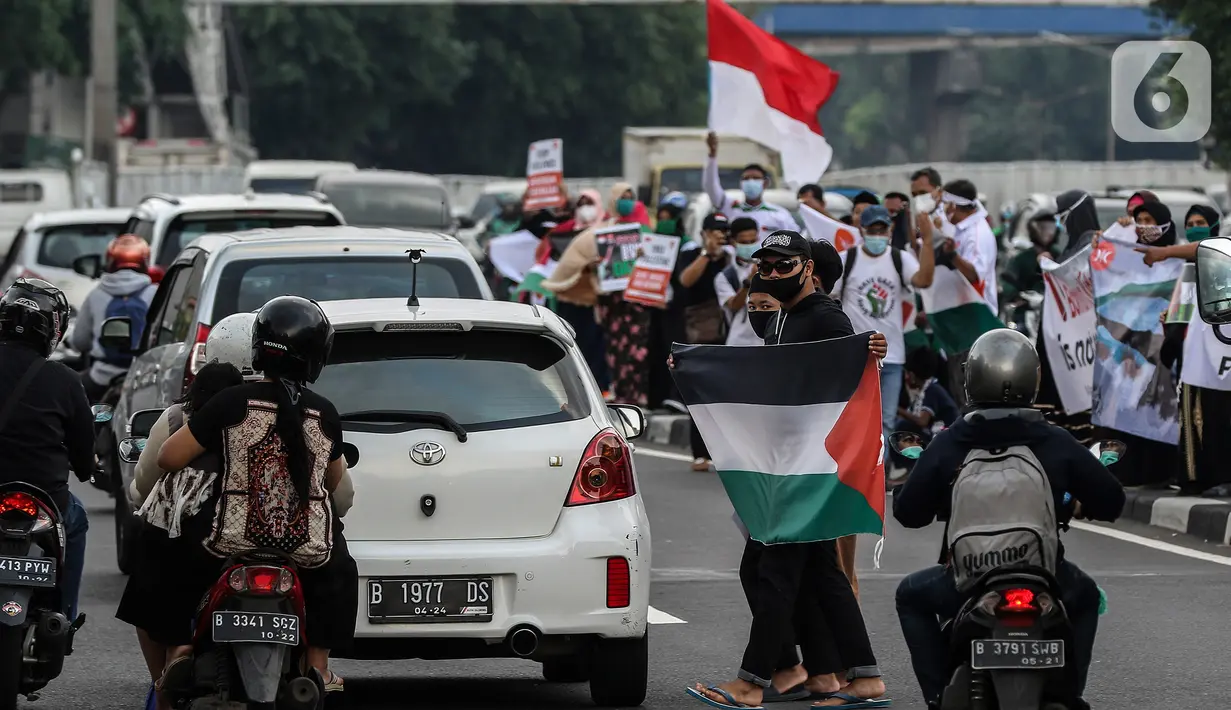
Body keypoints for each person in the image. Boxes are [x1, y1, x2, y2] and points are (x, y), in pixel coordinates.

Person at [687, 231, 891, 710]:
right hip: (787, 467)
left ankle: (751, 684)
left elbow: (855, 366)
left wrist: (869, 348)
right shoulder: (783, 319)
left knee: (772, 571)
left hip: (807, 472)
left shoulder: (824, 316)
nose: (771, 275)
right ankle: (858, 679)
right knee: (822, 574)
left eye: (783, 267)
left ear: (807, 270)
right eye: (765, 267)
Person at [893, 329, 1125, 710]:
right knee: (1084, 597)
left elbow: (908, 512)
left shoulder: (950, 442)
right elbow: (1112, 500)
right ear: (1032, 380)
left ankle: (936, 698)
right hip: (1046, 576)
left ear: (971, 380)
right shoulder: (1053, 439)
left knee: (911, 597)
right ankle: (1070, 695)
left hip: (966, 578)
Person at [155, 296, 357, 693]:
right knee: (342, 567)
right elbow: (334, 484)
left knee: (173, 556)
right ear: (316, 356)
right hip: (305, 547)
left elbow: (167, 457)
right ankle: (318, 665)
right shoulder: (326, 412)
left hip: (227, 539)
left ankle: (179, 650)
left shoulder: (228, 402)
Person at [119, 359, 245, 710]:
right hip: (250, 539)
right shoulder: (265, 417)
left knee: (146, 596)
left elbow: (144, 483)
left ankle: (165, 676)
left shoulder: (177, 420)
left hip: (180, 542)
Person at [0, 278, 92, 624]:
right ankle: (62, 614)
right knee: (78, 520)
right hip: (46, 499)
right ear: (53, 328)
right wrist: (87, 468)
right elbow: (84, 448)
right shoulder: (65, 379)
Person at [832, 205, 936, 456]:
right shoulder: (848, 260)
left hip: (891, 356)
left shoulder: (899, 258)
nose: (877, 235)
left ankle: (880, 476)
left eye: (882, 229)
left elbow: (923, 280)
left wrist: (929, 242)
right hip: (855, 356)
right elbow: (827, 296)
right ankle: (853, 472)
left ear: (890, 230)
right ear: (862, 229)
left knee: (886, 420)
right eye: (872, 229)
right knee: (853, 418)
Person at [674, 212, 734, 470]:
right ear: (704, 233)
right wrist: (707, 255)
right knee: (700, 392)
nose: (720, 236)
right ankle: (701, 452)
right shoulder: (691, 255)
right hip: (701, 330)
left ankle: (728, 452)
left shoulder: (733, 259)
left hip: (731, 331)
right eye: (715, 231)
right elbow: (686, 280)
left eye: (724, 231)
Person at [70, 234, 158, 402]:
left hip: (101, 377)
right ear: (145, 261)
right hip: (144, 377)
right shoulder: (155, 293)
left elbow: (80, 342)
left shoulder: (97, 294)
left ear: (110, 261)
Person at [704, 132, 797, 237]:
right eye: (746, 179)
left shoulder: (779, 214)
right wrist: (712, 156)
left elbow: (795, 242)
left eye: (756, 178)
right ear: (741, 183)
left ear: (765, 183)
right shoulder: (730, 207)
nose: (751, 182)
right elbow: (711, 186)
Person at [715, 217, 764, 347]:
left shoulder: (771, 266)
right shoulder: (726, 276)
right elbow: (733, 305)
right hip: (740, 341)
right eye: (744, 242)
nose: (749, 245)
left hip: (767, 340)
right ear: (733, 241)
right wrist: (749, 282)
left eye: (753, 241)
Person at [894, 346, 959, 439]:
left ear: (911, 375)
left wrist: (896, 409)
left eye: (906, 373)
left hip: (947, 436)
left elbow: (922, 421)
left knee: (902, 426)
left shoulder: (932, 390)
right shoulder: (924, 391)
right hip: (939, 434)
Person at [1000, 211, 1060, 304]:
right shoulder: (1022, 258)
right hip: (1028, 308)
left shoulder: (1059, 255)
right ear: (1033, 229)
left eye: (1051, 227)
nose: (1048, 232)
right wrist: (1017, 295)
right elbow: (1008, 281)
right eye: (1043, 227)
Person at [1137, 204, 1221, 266]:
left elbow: (1205, 248)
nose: (1194, 228)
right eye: (1190, 225)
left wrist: (1165, 252)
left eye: (1200, 223)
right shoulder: (1181, 261)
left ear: (1213, 226)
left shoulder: (1224, 252)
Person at [910, 167, 954, 239]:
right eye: (914, 195)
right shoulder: (916, 221)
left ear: (939, 191)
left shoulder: (951, 216)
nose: (918, 198)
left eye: (923, 193)